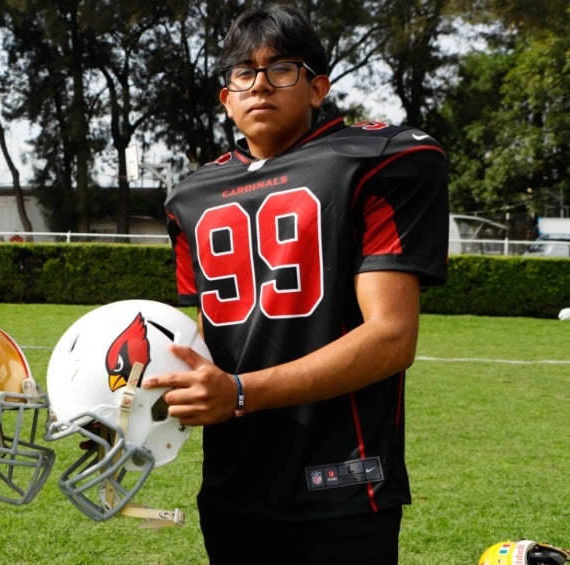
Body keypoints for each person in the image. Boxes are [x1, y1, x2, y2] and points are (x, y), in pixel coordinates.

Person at [141, 5, 448, 563]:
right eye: (244, 73)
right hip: (234, 483)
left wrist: (240, 392)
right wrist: (123, 405)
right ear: (226, 97)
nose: (260, 85)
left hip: (341, 480)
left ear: (317, 88)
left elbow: (391, 337)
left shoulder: (375, 159)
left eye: (281, 69)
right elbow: (206, 340)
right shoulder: (190, 197)